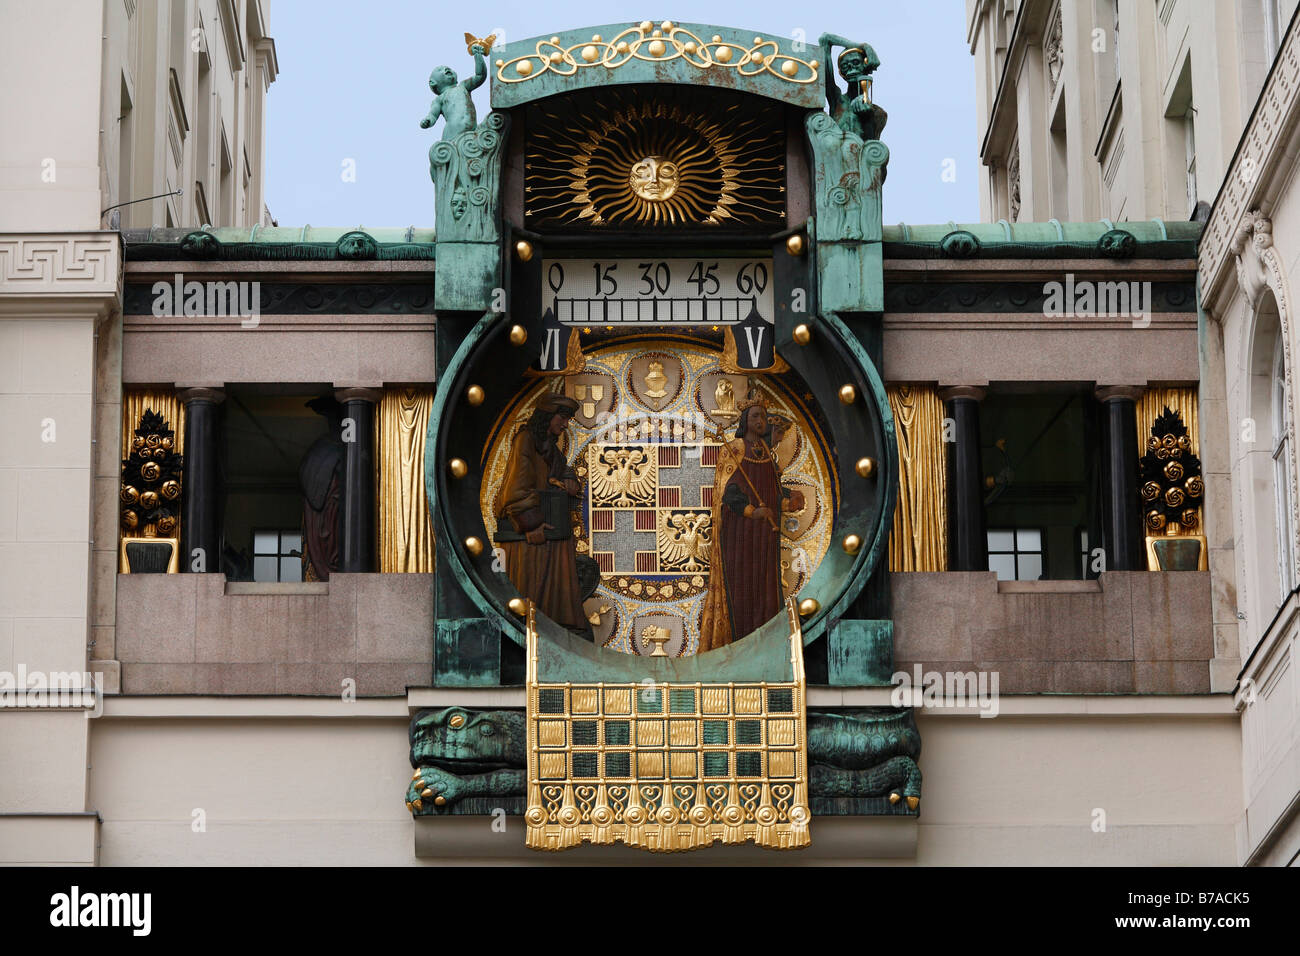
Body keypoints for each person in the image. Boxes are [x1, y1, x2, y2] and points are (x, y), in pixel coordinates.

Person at [698, 396, 803, 651]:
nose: (760, 421)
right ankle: (739, 644)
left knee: (765, 586)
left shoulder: (767, 453)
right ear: (745, 421)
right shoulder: (735, 448)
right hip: (740, 535)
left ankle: (766, 642)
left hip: (766, 536)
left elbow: (772, 491)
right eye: (755, 416)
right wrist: (750, 512)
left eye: (763, 417)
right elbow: (729, 493)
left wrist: (789, 499)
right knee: (743, 586)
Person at [493, 394, 592, 636]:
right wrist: (531, 525)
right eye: (563, 417)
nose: (565, 424)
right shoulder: (526, 440)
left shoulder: (548, 446)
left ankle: (554, 631)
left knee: (551, 597)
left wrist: (569, 479)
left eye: (568, 419)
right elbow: (516, 488)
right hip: (532, 536)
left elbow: (559, 469)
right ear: (547, 415)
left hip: (550, 534)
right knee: (534, 592)